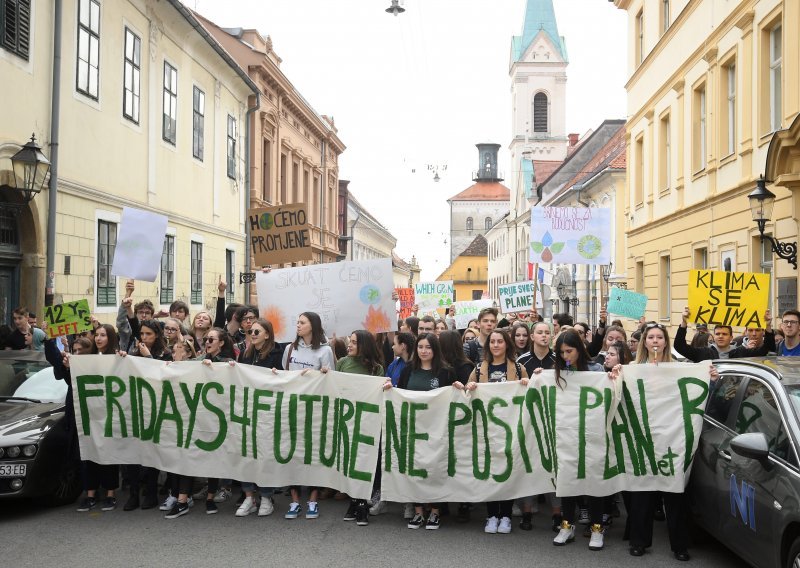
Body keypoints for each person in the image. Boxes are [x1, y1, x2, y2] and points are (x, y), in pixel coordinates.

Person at [626, 322, 718, 561]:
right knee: (642, 491)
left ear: (665, 342)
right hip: (644, 437)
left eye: (659, 337)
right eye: (651, 337)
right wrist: (616, 375)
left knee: (675, 491)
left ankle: (680, 544)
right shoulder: (633, 368)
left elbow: (696, 386)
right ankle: (639, 541)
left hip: (672, 436)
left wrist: (711, 377)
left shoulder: (678, 368)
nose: (655, 341)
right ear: (644, 342)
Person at [532, 330, 606, 549]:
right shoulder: (556, 371)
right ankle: (567, 524)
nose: (565, 356)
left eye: (569, 351)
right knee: (566, 481)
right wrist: (539, 377)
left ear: (580, 349)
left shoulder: (596, 369)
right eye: (562, 352)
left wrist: (614, 375)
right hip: (565, 435)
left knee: (593, 481)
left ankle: (597, 527)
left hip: (591, 435)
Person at [458, 329, 529, 535]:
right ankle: (491, 515)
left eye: (500, 341)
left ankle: (505, 515)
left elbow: (530, 394)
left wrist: (526, 383)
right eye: (492, 342)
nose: (496, 345)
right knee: (489, 471)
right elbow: (466, 394)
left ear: (507, 344)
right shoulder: (479, 369)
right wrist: (468, 387)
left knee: (508, 471)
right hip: (486, 428)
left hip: (510, 427)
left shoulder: (518, 367)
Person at [390, 332, 457, 530]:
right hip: (413, 429)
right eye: (420, 347)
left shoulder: (445, 371)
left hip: (436, 431)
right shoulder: (408, 370)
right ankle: (418, 511)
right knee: (415, 468)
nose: (424, 351)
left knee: (434, 470)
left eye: (428, 347)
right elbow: (399, 394)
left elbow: (452, 398)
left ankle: (435, 511)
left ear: (435, 350)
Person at [282, 312, 335, 520]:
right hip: (293, 406)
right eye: (296, 322)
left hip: (315, 409)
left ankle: (313, 499)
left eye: (302, 322)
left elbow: (332, 379)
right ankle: (295, 500)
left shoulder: (325, 350)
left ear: (312, 326)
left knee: (313, 454)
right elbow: (285, 376)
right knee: (293, 453)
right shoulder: (289, 348)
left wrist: (323, 374)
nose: (298, 325)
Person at [235, 319, 283, 518]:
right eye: (250, 331)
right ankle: (248, 496)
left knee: (264, 455)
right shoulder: (246, 355)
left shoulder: (277, 355)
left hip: (266, 413)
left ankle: (266, 496)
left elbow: (284, 380)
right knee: (245, 454)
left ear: (267, 334)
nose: (252, 334)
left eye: (257, 331)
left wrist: (276, 375)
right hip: (246, 412)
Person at [336, 330, 384, 526]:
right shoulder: (342, 363)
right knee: (350, 461)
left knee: (365, 462)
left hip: (367, 421)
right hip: (347, 419)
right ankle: (355, 500)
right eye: (350, 341)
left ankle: (362, 502)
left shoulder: (376, 368)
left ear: (364, 345)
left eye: (354, 342)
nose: (350, 345)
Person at [163, 337, 199, 519]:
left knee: (184, 460)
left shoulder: (196, 368)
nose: (173, 353)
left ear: (187, 353)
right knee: (174, 459)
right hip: (172, 422)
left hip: (190, 422)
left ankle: (182, 501)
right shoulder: (168, 367)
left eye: (177, 350)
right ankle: (178, 495)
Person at [674, 307, 772, 361]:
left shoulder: (741, 353)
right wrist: (684, 323)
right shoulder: (704, 353)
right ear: (714, 336)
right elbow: (679, 346)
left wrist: (767, 326)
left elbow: (767, 348)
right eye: (718, 334)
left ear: (731, 337)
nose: (720, 336)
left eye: (724, 334)